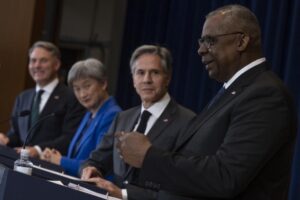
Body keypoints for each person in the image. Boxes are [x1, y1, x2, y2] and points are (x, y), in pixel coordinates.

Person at [116, 5, 297, 200]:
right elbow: (193, 169)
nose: (200, 50)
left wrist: (148, 156)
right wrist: (126, 193)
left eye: (210, 41)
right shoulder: (234, 91)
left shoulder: (265, 94)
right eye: (201, 41)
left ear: (241, 41)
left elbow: (225, 177)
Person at [80, 45, 196, 199]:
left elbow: (182, 187)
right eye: (140, 73)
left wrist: (124, 194)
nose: (147, 80)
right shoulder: (122, 118)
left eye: (154, 72)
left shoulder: (188, 121)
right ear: (133, 79)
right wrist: (90, 168)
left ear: (167, 77)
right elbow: (96, 159)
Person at [0, 41, 85, 158]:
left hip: (48, 167)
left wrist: (38, 150)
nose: (37, 65)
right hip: (18, 164)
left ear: (56, 65)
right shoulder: (23, 97)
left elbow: (70, 137)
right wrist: (6, 140)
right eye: (33, 60)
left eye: (43, 61)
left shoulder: (71, 97)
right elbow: (17, 134)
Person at [41, 58, 121, 176]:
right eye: (77, 89)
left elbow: (98, 165)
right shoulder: (89, 113)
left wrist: (60, 160)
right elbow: (77, 156)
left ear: (103, 84)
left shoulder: (113, 115)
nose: (82, 94)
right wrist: (57, 157)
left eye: (87, 86)